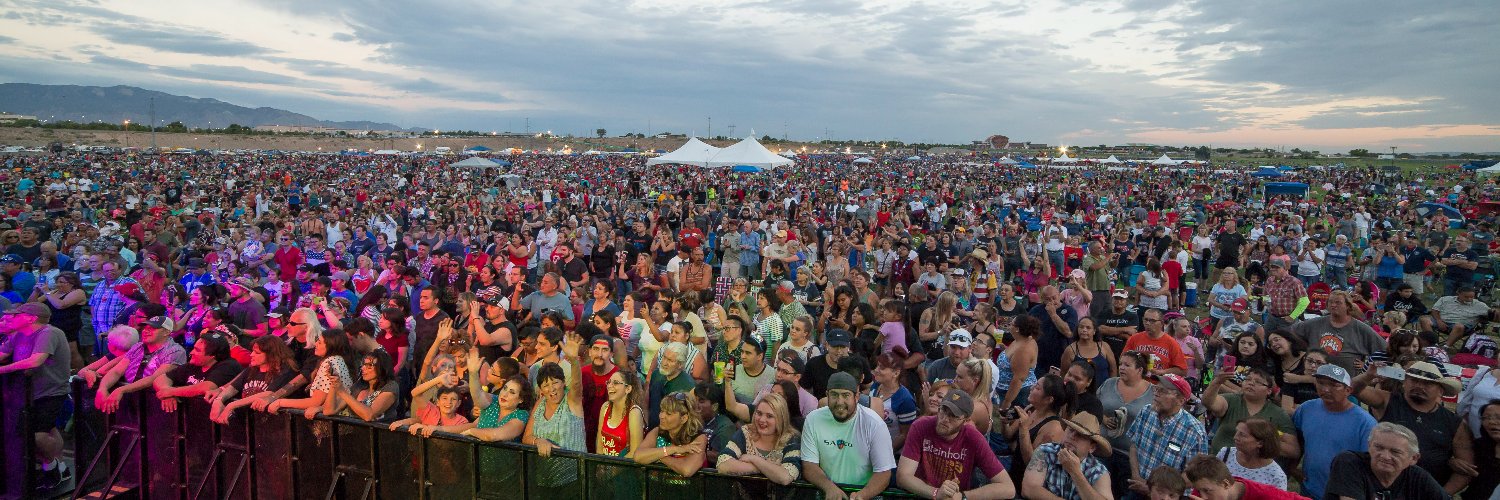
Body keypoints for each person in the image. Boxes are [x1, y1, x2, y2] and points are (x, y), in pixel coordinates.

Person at [1348, 360, 1468, 491]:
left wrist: (1443, 495)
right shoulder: (1387, 400)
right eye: (1414, 380)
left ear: (1440, 390)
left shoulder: (1454, 422)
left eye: (1427, 383)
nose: (1419, 386)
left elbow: (1466, 468)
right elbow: (1351, 389)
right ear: (1404, 383)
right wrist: (1368, 375)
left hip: (1426, 491)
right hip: (1380, 486)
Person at [0, 302, 72, 488]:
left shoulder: (49, 332)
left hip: (51, 391)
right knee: (47, 429)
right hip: (30, 392)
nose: (12, 319)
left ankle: (53, 466)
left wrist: (3, 369)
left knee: (36, 434)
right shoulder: (19, 335)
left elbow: (35, 361)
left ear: (31, 318)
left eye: (17, 315)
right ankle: (59, 466)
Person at [895, 389, 1016, 500]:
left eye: (953, 416)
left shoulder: (973, 438)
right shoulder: (920, 426)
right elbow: (903, 477)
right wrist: (936, 493)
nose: (945, 419)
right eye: (943, 410)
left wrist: (963, 496)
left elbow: (1008, 488)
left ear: (966, 420)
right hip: (922, 493)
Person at [801, 372, 896, 500]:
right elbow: (809, 465)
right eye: (834, 395)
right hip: (825, 491)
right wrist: (829, 488)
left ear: (856, 397)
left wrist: (861, 495)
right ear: (827, 395)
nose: (840, 402)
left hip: (864, 493)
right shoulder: (813, 419)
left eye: (846, 395)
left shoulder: (874, 424)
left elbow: (884, 473)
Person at [1292, 364, 1377, 499]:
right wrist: (1293, 469)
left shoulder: (1365, 423)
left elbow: (1370, 465)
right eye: (1320, 383)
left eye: (1334, 385)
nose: (1325, 389)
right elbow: (1297, 441)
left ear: (1348, 390)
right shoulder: (1306, 409)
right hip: (1309, 491)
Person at [1124, 373, 1208, 498]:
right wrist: (1136, 475)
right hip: (1138, 487)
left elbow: (1193, 475)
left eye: (1162, 391)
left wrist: (1154, 490)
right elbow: (1134, 446)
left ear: (1181, 400)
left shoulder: (1194, 431)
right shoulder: (1146, 412)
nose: (1156, 393)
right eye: (1156, 389)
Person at [1324, 422, 1451, 500]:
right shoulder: (1349, 462)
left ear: (1413, 458)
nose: (1385, 456)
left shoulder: (1417, 476)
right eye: (1378, 447)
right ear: (1369, 446)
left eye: (1395, 452)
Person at [95, 315, 186, 413]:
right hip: (131, 402)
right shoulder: (138, 347)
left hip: (156, 405)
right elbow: (117, 371)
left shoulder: (175, 351)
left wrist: (121, 389)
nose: (146, 331)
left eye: (152, 328)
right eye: (145, 327)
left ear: (166, 332)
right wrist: (102, 389)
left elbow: (154, 378)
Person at [1202, 367, 1295, 454]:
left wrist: (1263, 439)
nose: (1251, 383)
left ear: (1269, 391)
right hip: (1220, 460)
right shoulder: (1231, 400)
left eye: (1258, 382)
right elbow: (1208, 403)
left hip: (1254, 467)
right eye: (1248, 379)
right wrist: (1217, 382)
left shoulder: (1278, 414)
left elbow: (1293, 450)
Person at [716, 392, 802, 485]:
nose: (761, 420)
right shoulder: (746, 432)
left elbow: (785, 477)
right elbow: (722, 465)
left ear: (781, 419)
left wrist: (754, 459)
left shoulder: (792, 439)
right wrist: (766, 468)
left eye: (769, 416)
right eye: (759, 413)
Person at [1290, 291, 1383, 371]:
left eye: (1338, 302)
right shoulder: (1314, 323)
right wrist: (1303, 351)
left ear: (1347, 306)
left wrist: (1367, 365)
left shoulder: (1361, 328)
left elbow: (1384, 349)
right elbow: (1290, 333)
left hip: (1346, 384)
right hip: (1315, 378)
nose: (1333, 305)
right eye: (1330, 302)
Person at [154, 332, 242, 412]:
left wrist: (171, 392)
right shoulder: (193, 364)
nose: (191, 352)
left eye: (197, 350)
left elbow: (207, 387)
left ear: (212, 356)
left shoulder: (229, 366)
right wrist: (166, 393)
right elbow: (160, 379)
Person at [633, 391, 708, 477]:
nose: (661, 416)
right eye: (661, 411)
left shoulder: (699, 438)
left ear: (683, 418)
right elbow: (638, 456)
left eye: (668, 413)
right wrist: (674, 449)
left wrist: (658, 456)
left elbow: (687, 470)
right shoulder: (657, 431)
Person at [1182, 455, 1308, 500]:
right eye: (1199, 491)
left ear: (1226, 484)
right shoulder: (1200, 491)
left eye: (1207, 491)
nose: (1202, 496)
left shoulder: (1266, 495)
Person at [1214, 417, 1289, 490]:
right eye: (1236, 432)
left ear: (1260, 443)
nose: (1235, 437)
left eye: (1242, 435)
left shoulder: (1276, 476)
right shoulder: (1225, 454)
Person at [1122, 308, 1187, 377]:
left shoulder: (1171, 343)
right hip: (1136, 382)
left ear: (1161, 323)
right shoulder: (1134, 339)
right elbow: (1122, 360)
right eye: (1145, 320)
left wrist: (1163, 372)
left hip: (1159, 384)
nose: (1147, 323)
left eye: (1152, 321)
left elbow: (1183, 370)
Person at [1030, 286, 1077, 375]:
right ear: (1042, 299)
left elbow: (1069, 333)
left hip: (1059, 357)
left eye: (1054, 298)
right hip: (1039, 357)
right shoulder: (1036, 310)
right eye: (1047, 299)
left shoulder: (1070, 311)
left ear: (1059, 295)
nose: (1051, 301)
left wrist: (1053, 315)